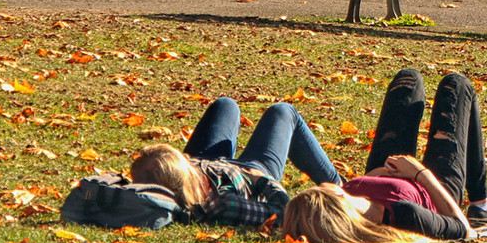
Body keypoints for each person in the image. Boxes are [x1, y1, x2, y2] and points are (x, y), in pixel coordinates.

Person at [284, 68, 487, 243]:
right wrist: (420, 174)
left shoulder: (349, 198)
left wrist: (377, 173)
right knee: (456, 85)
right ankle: (481, 203)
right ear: (336, 202)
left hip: (389, 168)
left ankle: (481, 202)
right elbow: (462, 229)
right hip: (435, 186)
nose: (323, 183)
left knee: (407, 81)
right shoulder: (404, 214)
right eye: (321, 189)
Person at [130, 98, 339, 229]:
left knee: (225, 104)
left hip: (208, 164)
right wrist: (263, 180)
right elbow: (283, 212)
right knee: (282, 111)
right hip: (249, 172)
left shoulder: (176, 184)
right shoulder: (221, 204)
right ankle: (341, 191)